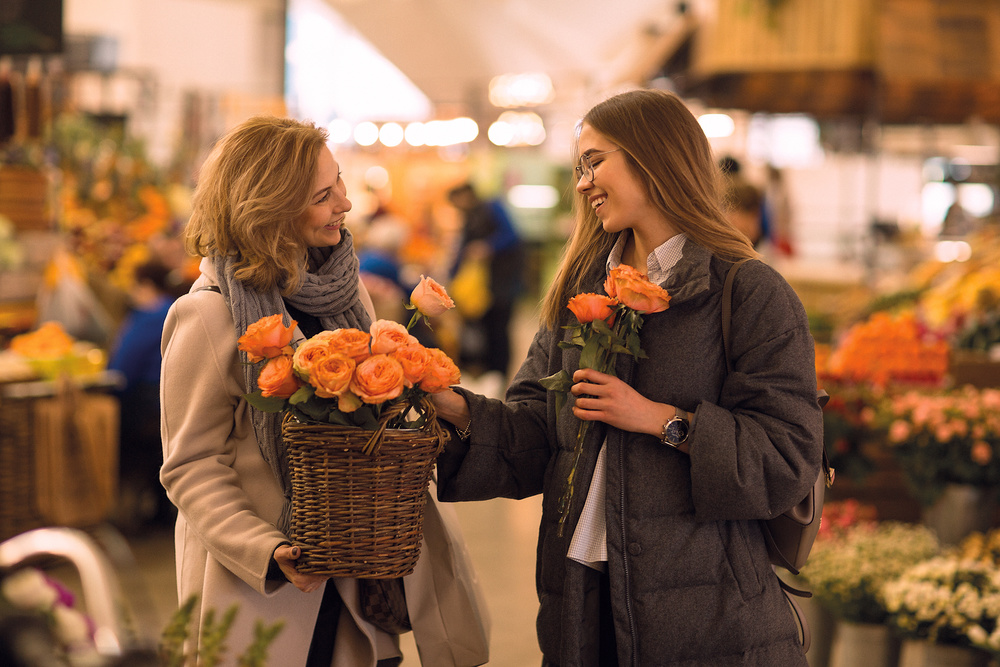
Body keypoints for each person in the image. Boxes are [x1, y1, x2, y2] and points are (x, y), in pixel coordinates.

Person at [431, 89, 824, 665]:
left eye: (594, 161)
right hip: (582, 603)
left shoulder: (748, 291)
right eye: (578, 169)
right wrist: (455, 408)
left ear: (654, 156)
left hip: (710, 616)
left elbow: (788, 457)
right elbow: (536, 434)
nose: (583, 182)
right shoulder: (581, 291)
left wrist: (661, 420)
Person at [160, 116, 483, 666]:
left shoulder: (344, 290)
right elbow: (190, 465)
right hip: (264, 586)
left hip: (358, 573)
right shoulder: (208, 316)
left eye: (340, 183)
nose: (346, 204)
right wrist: (267, 550)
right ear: (270, 208)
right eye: (323, 194)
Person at [107, 258, 177, 531]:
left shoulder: (148, 315)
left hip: (148, 405)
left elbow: (122, 368)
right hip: (171, 401)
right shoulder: (178, 307)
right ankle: (160, 506)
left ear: (146, 285)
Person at [446, 181, 524, 383]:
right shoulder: (470, 216)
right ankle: (490, 378)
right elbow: (462, 252)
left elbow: (512, 236)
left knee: (499, 333)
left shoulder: (492, 207)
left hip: (502, 285)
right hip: (482, 290)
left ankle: (501, 378)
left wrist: (488, 247)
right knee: (486, 333)